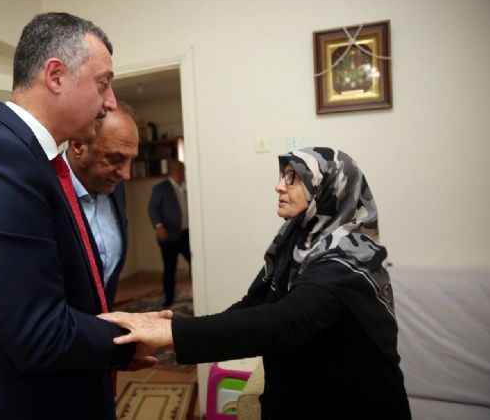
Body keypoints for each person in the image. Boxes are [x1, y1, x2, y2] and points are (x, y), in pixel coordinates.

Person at [0, 13, 157, 420]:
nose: (110, 102)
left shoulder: (27, 157)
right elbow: (39, 330)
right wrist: (130, 337)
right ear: (56, 76)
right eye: (103, 84)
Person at [101, 147, 412, 419]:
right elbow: (253, 304)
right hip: (298, 396)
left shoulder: (351, 256)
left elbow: (285, 321)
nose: (279, 185)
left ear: (328, 188)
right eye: (283, 175)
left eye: (293, 177)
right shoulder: (296, 237)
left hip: (352, 403)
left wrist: (169, 333)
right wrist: (177, 333)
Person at [63, 102, 139, 306]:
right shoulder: (44, 188)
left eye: (131, 160)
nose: (126, 174)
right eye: (115, 158)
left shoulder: (115, 187)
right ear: (78, 145)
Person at [148, 160, 191, 306]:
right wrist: (158, 226)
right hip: (168, 236)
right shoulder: (161, 188)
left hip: (186, 234)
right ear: (175, 171)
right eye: (182, 170)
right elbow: (152, 208)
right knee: (169, 268)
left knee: (195, 264)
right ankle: (169, 298)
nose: (184, 173)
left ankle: (198, 291)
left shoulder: (186, 187)